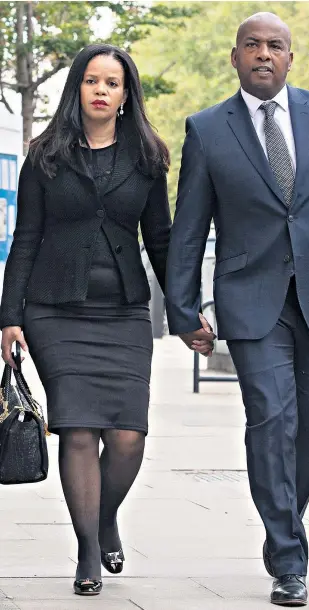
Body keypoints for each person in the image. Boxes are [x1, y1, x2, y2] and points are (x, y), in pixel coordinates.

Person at [0, 43, 212, 597]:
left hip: (122, 314)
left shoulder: (147, 158)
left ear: (125, 94)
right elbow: (25, 240)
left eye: (112, 83)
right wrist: (9, 317)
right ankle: (89, 551)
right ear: (78, 89)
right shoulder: (45, 155)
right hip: (54, 312)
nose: (101, 90)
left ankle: (105, 516)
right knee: (77, 429)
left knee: (126, 439)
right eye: (92, 80)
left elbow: (160, 242)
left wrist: (186, 313)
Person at [165, 12, 309, 607]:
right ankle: (290, 558)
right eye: (253, 45)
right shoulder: (207, 129)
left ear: (291, 58)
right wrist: (182, 307)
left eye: (275, 46)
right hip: (252, 300)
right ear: (235, 56)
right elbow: (189, 226)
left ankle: (284, 525)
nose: (264, 54)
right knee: (271, 419)